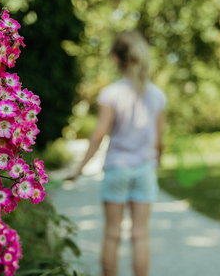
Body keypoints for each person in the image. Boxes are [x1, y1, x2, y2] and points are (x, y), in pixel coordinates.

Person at [68, 31, 166, 276]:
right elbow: (159, 141)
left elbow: (99, 135)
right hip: (144, 170)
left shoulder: (111, 94)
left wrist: (79, 169)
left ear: (115, 58)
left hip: (117, 169)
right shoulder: (157, 95)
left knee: (112, 235)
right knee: (140, 235)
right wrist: (157, 162)